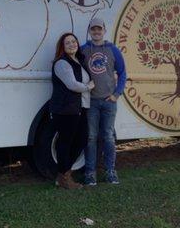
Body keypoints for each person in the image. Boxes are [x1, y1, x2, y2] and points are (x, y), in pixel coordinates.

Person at [81, 18, 127, 185]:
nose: (96, 32)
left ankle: (110, 171)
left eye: (99, 29)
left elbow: (122, 73)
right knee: (91, 137)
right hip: (91, 102)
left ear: (104, 30)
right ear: (89, 31)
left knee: (108, 137)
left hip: (109, 101)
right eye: (93, 29)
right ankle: (90, 173)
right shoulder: (84, 50)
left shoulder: (113, 50)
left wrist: (117, 94)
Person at [49, 32, 94, 189]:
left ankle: (63, 175)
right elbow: (72, 85)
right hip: (65, 109)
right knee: (65, 143)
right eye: (67, 42)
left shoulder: (79, 61)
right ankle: (64, 177)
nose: (71, 44)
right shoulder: (62, 63)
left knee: (81, 139)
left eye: (74, 41)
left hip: (79, 107)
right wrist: (88, 87)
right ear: (62, 46)